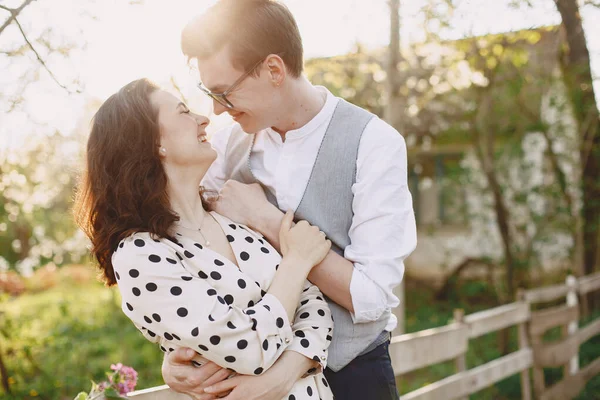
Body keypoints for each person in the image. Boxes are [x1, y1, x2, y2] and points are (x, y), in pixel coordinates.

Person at [161, 0, 417, 399]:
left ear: (274, 70)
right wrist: (176, 351)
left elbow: (370, 297)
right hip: (254, 381)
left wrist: (268, 224)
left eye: (224, 93)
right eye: (207, 93)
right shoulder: (227, 143)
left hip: (353, 375)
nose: (215, 109)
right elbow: (190, 249)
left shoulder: (374, 142)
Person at [74, 78, 336, 400]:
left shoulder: (231, 217)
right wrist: (296, 262)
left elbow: (314, 306)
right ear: (154, 142)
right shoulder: (140, 256)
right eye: (183, 111)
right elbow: (251, 348)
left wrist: (286, 372)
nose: (203, 118)